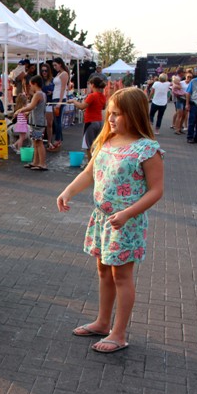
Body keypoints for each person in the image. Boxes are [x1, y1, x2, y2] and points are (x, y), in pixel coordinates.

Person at [57, 87, 165, 353]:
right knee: (103, 270)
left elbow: (156, 190)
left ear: (134, 114)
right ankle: (103, 322)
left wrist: (128, 213)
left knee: (121, 275)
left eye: (117, 114)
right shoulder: (107, 141)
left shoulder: (147, 150)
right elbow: (90, 172)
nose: (111, 118)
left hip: (126, 223)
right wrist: (68, 191)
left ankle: (119, 332)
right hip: (102, 219)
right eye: (110, 113)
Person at [14, 75, 48, 171]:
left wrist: (20, 110)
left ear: (35, 84)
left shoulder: (38, 94)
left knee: (39, 142)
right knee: (35, 142)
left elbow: (31, 106)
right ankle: (36, 162)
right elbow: (35, 107)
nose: (30, 87)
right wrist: (27, 112)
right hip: (37, 121)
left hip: (38, 122)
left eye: (31, 85)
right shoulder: (42, 94)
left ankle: (42, 163)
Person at [72, 77, 107, 162]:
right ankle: (96, 162)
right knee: (97, 144)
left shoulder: (92, 96)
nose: (89, 86)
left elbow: (81, 106)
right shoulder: (102, 96)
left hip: (90, 122)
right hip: (99, 121)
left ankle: (90, 164)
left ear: (93, 85)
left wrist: (74, 101)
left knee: (88, 145)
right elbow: (103, 107)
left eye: (90, 84)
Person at [48, 57, 70, 151]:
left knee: (57, 120)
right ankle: (59, 139)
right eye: (53, 65)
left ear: (60, 64)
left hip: (59, 99)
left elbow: (63, 88)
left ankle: (58, 139)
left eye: (55, 65)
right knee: (56, 120)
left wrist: (60, 102)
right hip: (55, 97)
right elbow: (58, 87)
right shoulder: (59, 73)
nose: (54, 67)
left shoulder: (64, 74)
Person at [39, 62, 55, 143]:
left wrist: (52, 93)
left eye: (45, 71)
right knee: (41, 123)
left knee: (49, 123)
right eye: (42, 71)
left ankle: (49, 141)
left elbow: (57, 91)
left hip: (49, 103)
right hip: (40, 104)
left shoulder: (53, 80)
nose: (44, 72)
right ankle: (40, 140)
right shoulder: (39, 80)